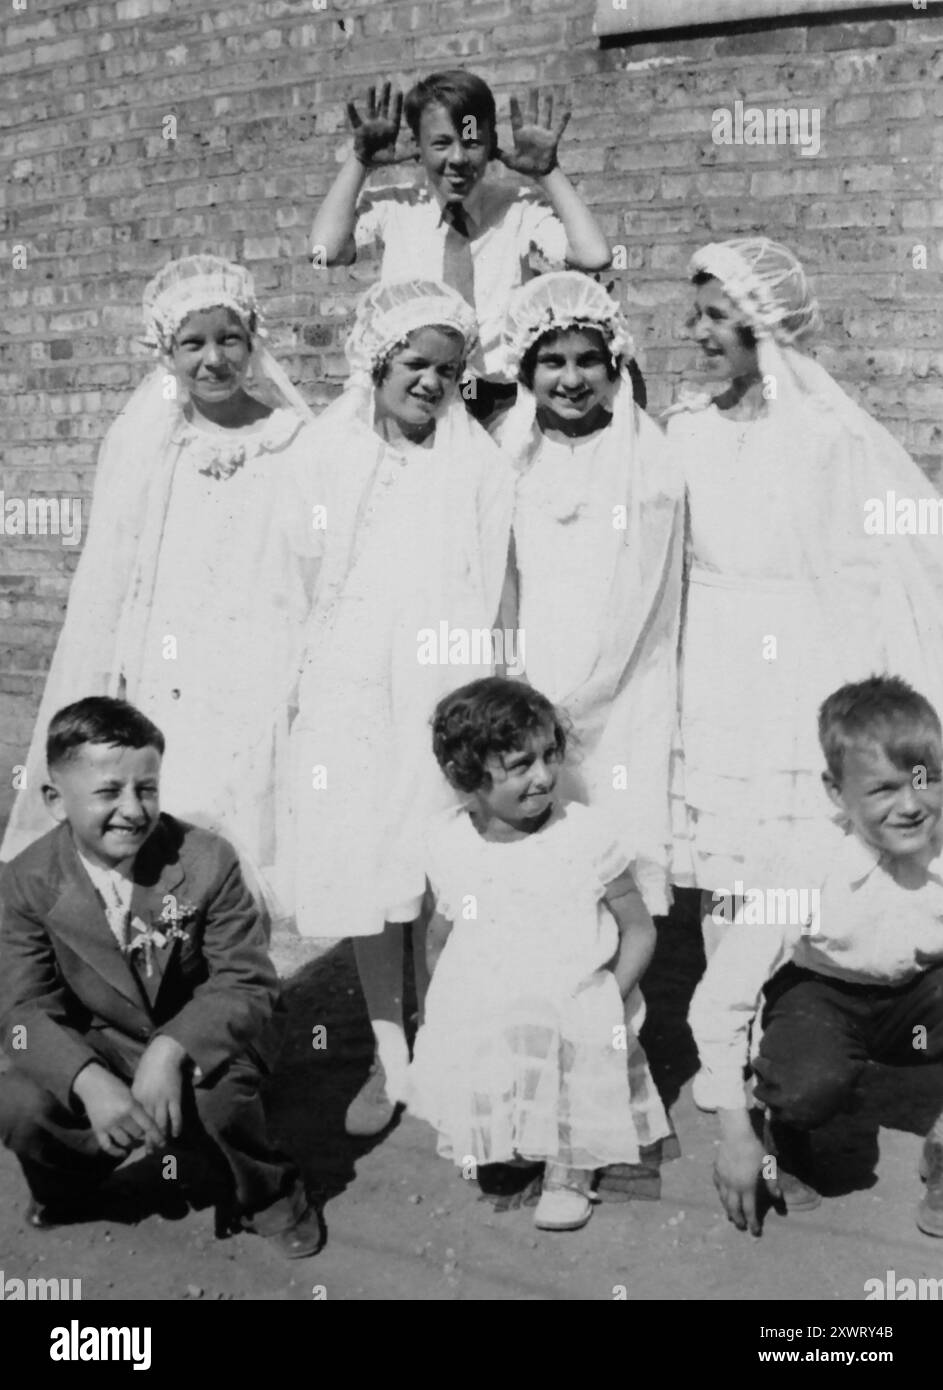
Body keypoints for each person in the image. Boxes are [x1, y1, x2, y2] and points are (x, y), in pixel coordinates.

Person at [1, 257, 320, 922]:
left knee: (248, 812)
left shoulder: (291, 440)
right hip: (171, 657)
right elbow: (122, 566)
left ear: (253, 341)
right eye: (193, 344)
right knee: (169, 806)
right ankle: (158, 968)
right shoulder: (152, 442)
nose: (212, 360)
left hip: (259, 652)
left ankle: (238, 972)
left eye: (228, 340)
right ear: (166, 353)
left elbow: (311, 558)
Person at [284, 279, 514, 1137]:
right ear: (376, 360)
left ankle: (448, 1040)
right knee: (368, 870)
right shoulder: (319, 453)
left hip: (435, 685)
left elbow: (490, 589)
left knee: (438, 871)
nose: (429, 382)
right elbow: (295, 576)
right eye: (414, 363)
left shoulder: (476, 466)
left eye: (447, 371)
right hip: (347, 684)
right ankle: (392, 1056)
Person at [666, 238, 943, 936]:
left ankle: (797, 1010)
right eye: (695, 315)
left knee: (794, 835)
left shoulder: (829, 435)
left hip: (800, 656)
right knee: (723, 839)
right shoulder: (685, 430)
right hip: (712, 657)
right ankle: (723, 1024)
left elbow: (874, 563)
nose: (697, 333)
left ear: (760, 324)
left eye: (714, 317)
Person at [0, 696, 322, 1258]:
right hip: (103, 1037)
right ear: (55, 800)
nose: (133, 809)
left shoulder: (205, 859)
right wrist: (89, 1080)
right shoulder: (26, 881)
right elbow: (22, 1011)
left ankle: (267, 1194)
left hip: (203, 1026)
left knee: (217, 1096)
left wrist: (171, 1049)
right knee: (19, 1101)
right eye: (108, 792)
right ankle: (71, 1186)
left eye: (146, 788)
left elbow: (245, 981)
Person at [406, 677, 671, 1232]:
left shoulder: (586, 835)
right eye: (521, 764)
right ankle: (511, 1132)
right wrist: (446, 998)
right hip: (496, 996)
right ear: (469, 776)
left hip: (578, 999)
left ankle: (570, 1167)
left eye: (551, 755)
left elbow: (639, 930)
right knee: (485, 1023)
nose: (545, 775)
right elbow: (441, 932)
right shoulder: (449, 841)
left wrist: (608, 996)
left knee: (556, 1025)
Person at [690, 675, 943, 1239]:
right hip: (824, 995)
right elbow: (720, 998)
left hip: (920, 998)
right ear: (836, 792)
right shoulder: (805, 862)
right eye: (882, 789)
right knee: (808, 1087)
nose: (910, 805)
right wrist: (735, 1131)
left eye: (926, 780)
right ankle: (785, 1132)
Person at [493, 271, 683, 917]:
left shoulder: (645, 459)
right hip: (533, 661)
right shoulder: (508, 453)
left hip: (623, 673)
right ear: (525, 369)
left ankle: (613, 1002)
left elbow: (647, 584)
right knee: (537, 829)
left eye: (587, 361)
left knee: (612, 830)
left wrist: (598, 684)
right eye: (551, 362)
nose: (570, 380)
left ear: (615, 365)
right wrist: (511, 672)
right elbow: (501, 571)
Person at [309, 71, 612, 419]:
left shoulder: (518, 208)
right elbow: (324, 253)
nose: (457, 159)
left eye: (471, 142)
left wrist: (548, 172)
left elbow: (595, 256)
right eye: (441, 143)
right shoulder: (395, 208)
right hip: (416, 397)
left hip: (498, 403)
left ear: (492, 144)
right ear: (417, 147)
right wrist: (360, 162)